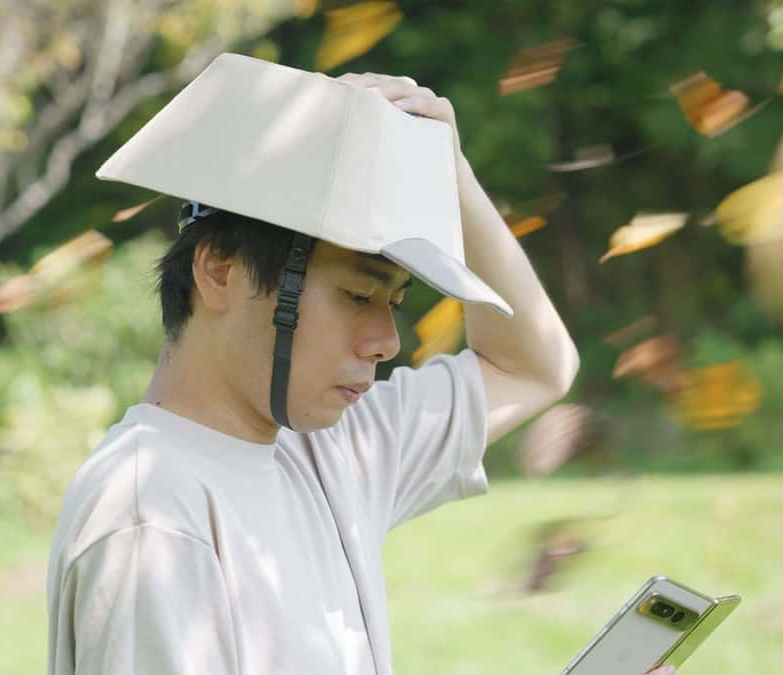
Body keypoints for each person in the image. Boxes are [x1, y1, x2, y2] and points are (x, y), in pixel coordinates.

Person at [45, 53, 632, 675]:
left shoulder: (330, 449)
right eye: (358, 296)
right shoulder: (152, 512)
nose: (387, 341)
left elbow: (533, 366)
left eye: (395, 302)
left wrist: (449, 172)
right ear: (220, 271)